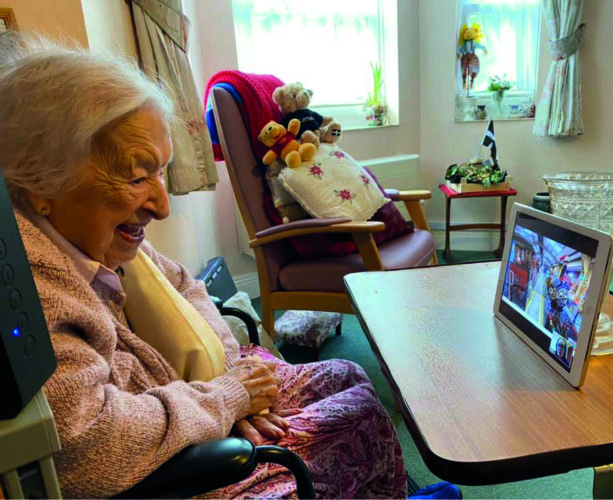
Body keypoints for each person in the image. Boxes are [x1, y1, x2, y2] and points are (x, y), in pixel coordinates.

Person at [0, 36, 413, 499]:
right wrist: (225, 399)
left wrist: (226, 376)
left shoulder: (92, 237)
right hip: (171, 473)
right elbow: (88, 449)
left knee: (348, 376)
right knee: (361, 413)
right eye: (137, 177)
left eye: (161, 172)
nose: (161, 207)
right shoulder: (37, 287)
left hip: (189, 402)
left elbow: (185, 285)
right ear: (39, 180)